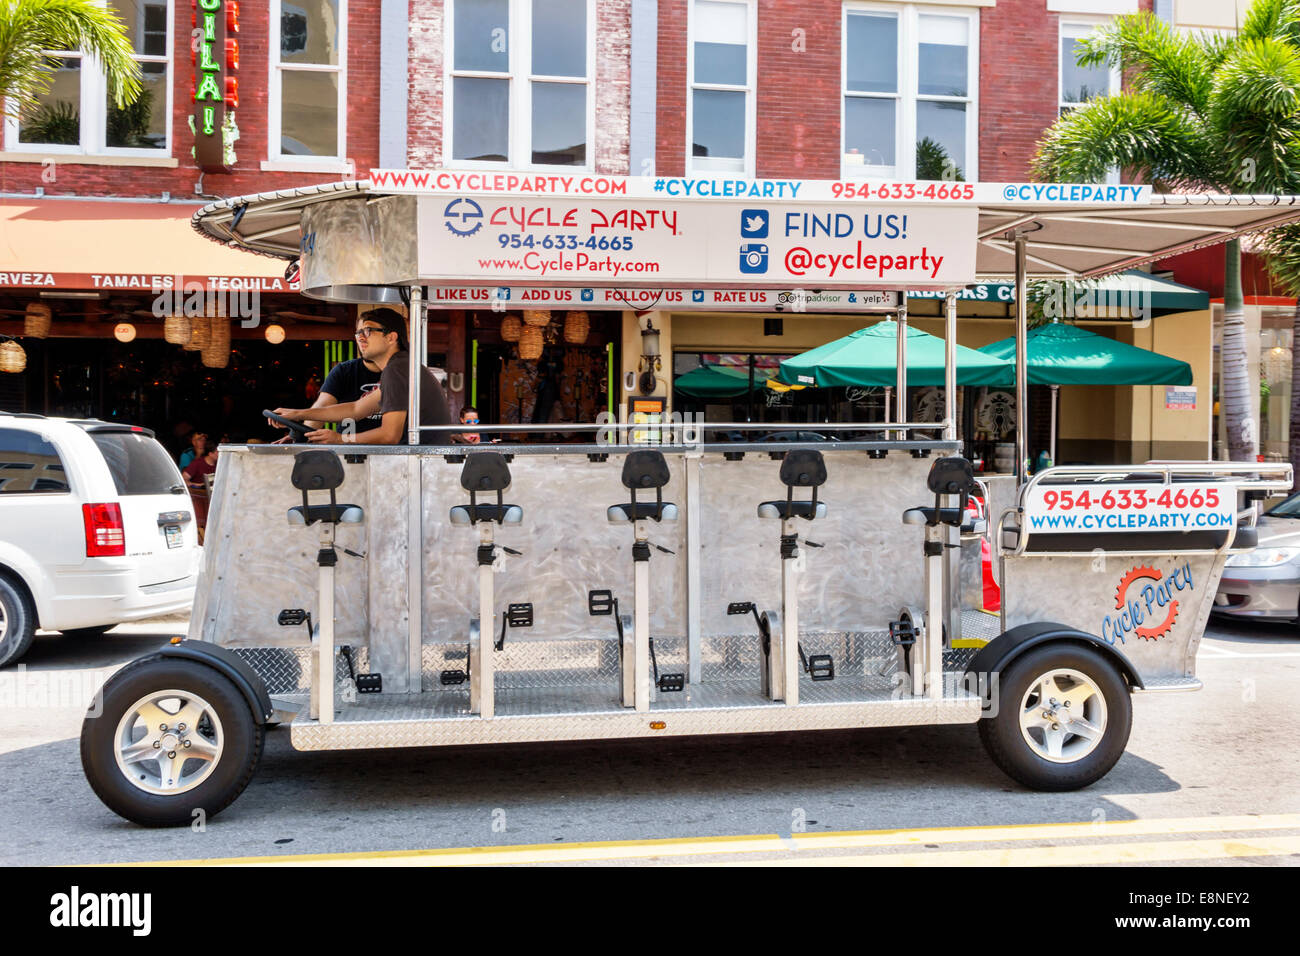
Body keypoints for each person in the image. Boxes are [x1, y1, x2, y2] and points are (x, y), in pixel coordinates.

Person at [271, 307, 452, 444]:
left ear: (391, 337)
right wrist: (296, 414)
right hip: (424, 464)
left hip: (423, 468)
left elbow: (389, 435)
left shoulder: (397, 369)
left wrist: (341, 439)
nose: (360, 338)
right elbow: (356, 409)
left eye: (368, 331)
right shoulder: (402, 366)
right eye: (358, 333)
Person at [182, 434, 219, 543]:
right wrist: (198, 485)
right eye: (217, 452)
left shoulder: (220, 464)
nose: (220, 454)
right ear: (211, 453)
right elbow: (184, 479)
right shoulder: (197, 464)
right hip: (200, 500)